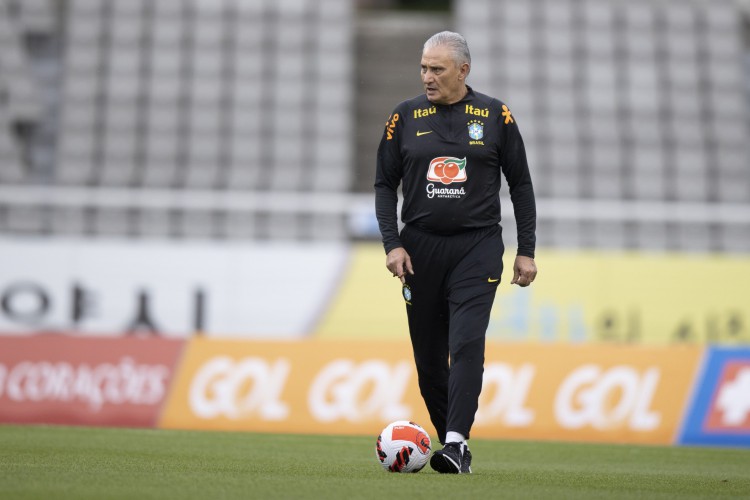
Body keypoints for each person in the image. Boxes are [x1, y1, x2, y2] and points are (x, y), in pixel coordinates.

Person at [374, 31, 538, 474]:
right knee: (429, 358)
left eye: (437, 69)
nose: (427, 76)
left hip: (478, 246)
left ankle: (455, 441)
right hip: (420, 249)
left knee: (465, 342)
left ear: (463, 71)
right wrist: (393, 244)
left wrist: (526, 250)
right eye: (424, 68)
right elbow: (385, 184)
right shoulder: (404, 116)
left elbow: (520, 184)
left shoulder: (494, 115)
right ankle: (454, 448)